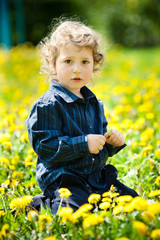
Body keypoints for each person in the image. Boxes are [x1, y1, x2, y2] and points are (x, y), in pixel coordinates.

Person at [27, 19, 138, 214]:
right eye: (68, 61)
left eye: (84, 62)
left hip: (94, 178)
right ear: (53, 65)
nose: (77, 69)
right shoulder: (48, 105)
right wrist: (83, 143)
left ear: (94, 65)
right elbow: (46, 148)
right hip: (64, 178)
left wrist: (111, 143)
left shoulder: (95, 103)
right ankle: (39, 205)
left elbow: (98, 146)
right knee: (77, 212)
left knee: (132, 202)